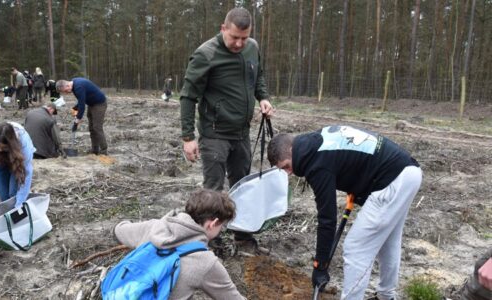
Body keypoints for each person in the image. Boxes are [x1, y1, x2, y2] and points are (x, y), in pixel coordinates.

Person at [267, 125, 422, 300]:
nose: (289, 173)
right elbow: (350, 158)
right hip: (407, 172)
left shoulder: (315, 164)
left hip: (392, 180)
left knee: (355, 248)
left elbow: (327, 219)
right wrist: (357, 184)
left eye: (287, 166)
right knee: (389, 240)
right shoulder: (316, 140)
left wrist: (320, 265)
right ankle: (387, 296)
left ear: (291, 149)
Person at [179, 7, 273, 247]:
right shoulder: (206, 54)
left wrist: (263, 97)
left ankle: (241, 231)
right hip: (215, 133)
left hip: (241, 132)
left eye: (244, 37)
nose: (240, 43)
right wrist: (188, 137)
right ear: (223, 29)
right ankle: (210, 239)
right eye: (234, 37)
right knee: (213, 189)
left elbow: (257, 75)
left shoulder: (252, 47)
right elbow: (188, 96)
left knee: (243, 183)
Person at [113, 189, 244, 299]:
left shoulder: (154, 227)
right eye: (221, 226)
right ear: (213, 223)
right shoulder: (206, 262)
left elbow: (117, 230)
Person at [0, 121, 35, 208]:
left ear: (11, 144)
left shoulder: (23, 143)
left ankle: (18, 210)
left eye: (4, 147)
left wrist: (19, 205)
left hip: (17, 159)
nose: (0, 150)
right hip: (0, 161)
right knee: (2, 192)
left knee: (14, 192)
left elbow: (25, 174)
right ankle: (9, 211)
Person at [56, 78, 108, 155]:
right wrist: (74, 108)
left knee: (97, 127)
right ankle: (95, 150)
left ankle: (104, 151)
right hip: (92, 104)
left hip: (99, 104)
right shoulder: (74, 84)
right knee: (91, 128)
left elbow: (82, 106)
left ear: (67, 85)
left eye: (66, 91)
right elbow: (81, 100)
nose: (67, 93)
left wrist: (77, 121)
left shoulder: (78, 87)